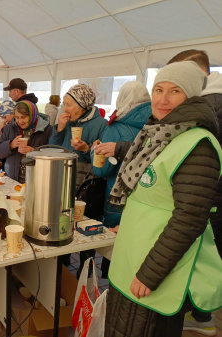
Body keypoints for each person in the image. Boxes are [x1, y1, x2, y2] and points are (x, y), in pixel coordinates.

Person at [105, 61, 222, 337]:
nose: (163, 99)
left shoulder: (197, 145)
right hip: (132, 259)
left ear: (190, 96)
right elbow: (151, 196)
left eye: (175, 91)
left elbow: (189, 219)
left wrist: (150, 274)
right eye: (158, 89)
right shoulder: (158, 134)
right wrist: (131, 223)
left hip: (155, 270)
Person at [167, 49, 222, 336]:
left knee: (199, 263)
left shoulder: (208, 105)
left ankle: (200, 315)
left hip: (208, 201)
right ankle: (204, 315)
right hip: (212, 199)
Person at [91, 81, 151, 277]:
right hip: (146, 198)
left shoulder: (116, 128)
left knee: (115, 254)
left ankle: (111, 294)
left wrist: (93, 153)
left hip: (119, 196)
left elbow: (102, 169)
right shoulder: (157, 123)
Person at [49, 83, 107, 186]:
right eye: (64, 104)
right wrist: (59, 129)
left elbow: (103, 162)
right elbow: (52, 150)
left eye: (69, 105)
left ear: (82, 105)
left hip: (84, 183)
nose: (65, 109)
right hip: (60, 177)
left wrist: (86, 149)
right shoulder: (67, 122)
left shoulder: (102, 125)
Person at [0, 100, 53, 183]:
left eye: (23, 117)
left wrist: (33, 151)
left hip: (36, 181)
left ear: (32, 115)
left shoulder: (47, 130)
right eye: (17, 117)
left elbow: (53, 156)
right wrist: (11, 145)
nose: (20, 121)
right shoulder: (9, 129)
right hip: (12, 180)